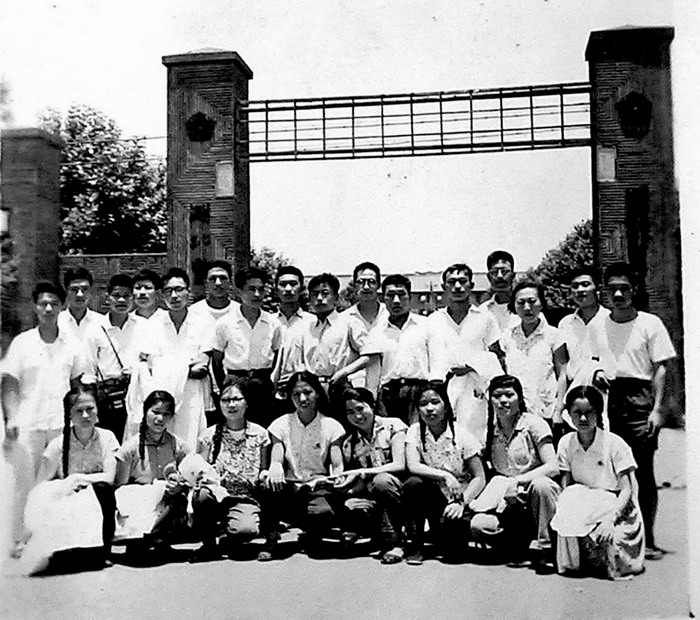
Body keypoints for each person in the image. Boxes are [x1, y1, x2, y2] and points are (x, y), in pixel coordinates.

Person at [589, 262, 676, 561]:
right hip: (609, 399)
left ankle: (648, 539)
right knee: (613, 471)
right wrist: (597, 371)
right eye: (612, 289)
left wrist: (657, 410)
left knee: (642, 471)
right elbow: (593, 359)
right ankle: (620, 536)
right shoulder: (597, 325)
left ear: (634, 290)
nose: (618, 295)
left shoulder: (650, 323)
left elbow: (661, 369)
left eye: (624, 289)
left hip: (640, 399)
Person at [551, 386, 645, 580]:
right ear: (569, 414)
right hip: (582, 501)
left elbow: (626, 490)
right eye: (577, 412)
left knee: (615, 550)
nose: (583, 418)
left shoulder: (614, 443)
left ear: (599, 413)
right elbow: (566, 487)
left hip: (616, 504)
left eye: (589, 412)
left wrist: (610, 520)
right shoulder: (566, 442)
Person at [23, 384, 119, 572]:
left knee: (103, 490)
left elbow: (109, 477)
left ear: (97, 410)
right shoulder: (57, 445)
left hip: (95, 497)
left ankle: (102, 550)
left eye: (90, 409)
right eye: (79, 411)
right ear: (69, 414)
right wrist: (64, 486)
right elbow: (40, 484)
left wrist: (77, 478)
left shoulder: (107, 438)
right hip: (68, 500)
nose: (85, 415)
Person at [470, 375, 560, 568]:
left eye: (509, 395)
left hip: (534, 496)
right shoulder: (488, 431)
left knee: (542, 485)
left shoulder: (534, 424)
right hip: (507, 502)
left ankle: (548, 548)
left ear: (519, 398)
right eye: (497, 396)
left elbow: (552, 466)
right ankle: (515, 545)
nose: (503, 401)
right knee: (479, 524)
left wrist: (517, 481)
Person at [2, 282, 90, 474]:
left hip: (62, 424)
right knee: (27, 478)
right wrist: (11, 418)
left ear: (62, 306)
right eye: (43, 304)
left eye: (54, 304)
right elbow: (10, 384)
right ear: (35, 307)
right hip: (28, 424)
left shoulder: (73, 344)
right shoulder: (22, 343)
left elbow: (78, 385)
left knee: (63, 478)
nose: (48, 309)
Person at [193, 376, 277, 561]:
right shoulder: (208, 436)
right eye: (225, 400)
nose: (231, 405)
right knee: (201, 494)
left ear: (247, 402)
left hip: (246, 497)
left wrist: (265, 476)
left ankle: (244, 536)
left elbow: (264, 469)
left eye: (237, 399)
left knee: (244, 530)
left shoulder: (260, 434)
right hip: (217, 496)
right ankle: (209, 545)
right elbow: (199, 470)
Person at [344, 274, 445, 425]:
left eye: (401, 295)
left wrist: (434, 392)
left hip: (420, 393)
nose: (396, 301)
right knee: (391, 434)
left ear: (410, 297)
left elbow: (437, 361)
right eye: (391, 295)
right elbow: (373, 371)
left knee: (418, 435)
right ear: (383, 299)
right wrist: (372, 399)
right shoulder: (377, 332)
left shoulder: (426, 325)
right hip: (388, 395)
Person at [403, 382, 486, 564]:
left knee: (453, 555)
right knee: (413, 484)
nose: (429, 409)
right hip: (432, 496)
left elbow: (479, 478)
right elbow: (413, 465)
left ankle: (442, 532)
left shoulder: (463, 435)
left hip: (458, 499)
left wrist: (461, 502)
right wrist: (446, 476)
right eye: (423, 404)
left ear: (446, 406)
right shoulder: (414, 431)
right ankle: (416, 544)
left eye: (435, 402)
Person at [265, 371, 346, 555]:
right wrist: (275, 467)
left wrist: (337, 478)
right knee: (265, 486)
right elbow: (276, 457)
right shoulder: (280, 424)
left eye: (307, 392)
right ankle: (271, 539)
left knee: (323, 513)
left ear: (317, 393)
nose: (302, 399)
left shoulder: (332, 426)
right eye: (296, 394)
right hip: (290, 487)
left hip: (318, 487)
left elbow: (337, 465)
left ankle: (312, 534)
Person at [427, 263, 503, 444]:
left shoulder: (485, 317)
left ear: (471, 285)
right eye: (451, 282)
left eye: (462, 281)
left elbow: (497, 355)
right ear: (444, 287)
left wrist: (472, 366)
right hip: (442, 389)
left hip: (474, 389)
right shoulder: (433, 320)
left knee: (475, 439)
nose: (457, 287)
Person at [138, 268, 213, 447]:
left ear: (188, 291)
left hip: (191, 393)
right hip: (162, 394)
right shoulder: (153, 325)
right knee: (161, 441)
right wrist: (185, 368)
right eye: (168, 291)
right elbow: (151, 364)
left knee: (191, 440)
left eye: (179, 289)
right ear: (161, 295)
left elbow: (202, 365)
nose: (174, 296)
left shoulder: (203, 322)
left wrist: (167, 365)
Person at [333, 387, 407, 564]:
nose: (357, 416)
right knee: (349, 501)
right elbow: (361, 482)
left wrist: (362, 472)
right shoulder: (350, 442)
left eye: (360, 408)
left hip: (402, 491)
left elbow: (399, 465)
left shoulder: (393, 426)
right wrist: (345, 491)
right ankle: (375, 535)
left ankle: (396, 543)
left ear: (372, 405)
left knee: (381, 481)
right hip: (374, 495)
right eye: (350, 412)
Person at [114, 390, 191, 554]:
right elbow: (120, 488)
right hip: (137, 504)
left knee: (179, 500)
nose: (160, 418)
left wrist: (179, 486)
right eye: (155, 412)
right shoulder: (129, 449)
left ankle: (159, 540)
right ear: (145, 412)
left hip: (167, 504)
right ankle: (139, 540)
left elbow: (190, 481)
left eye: (166, 414)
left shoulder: (179, 446)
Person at [212, 267, 282, 427]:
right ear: (239, 291)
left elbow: (277, 354)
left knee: (262, 428)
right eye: (251, 289)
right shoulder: (225, 323)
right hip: (235, 382)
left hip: (261, 384)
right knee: (234, 427)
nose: (257, 294)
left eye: (261, 289)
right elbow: (216, 360)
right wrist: (225, 385)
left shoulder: (273, 323)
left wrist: (268, 380)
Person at [499, 281, 568, 431]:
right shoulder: (507, 336)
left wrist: (558, 410)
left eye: (532, 301)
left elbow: (562, 374)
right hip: (515, 413)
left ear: (541, 303)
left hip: (546, 411)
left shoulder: (554, 335)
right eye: (521, 303)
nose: (527, 307)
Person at [95, 273, 148, 441]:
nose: (121, 300)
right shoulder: (96, 328)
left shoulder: (144, 326)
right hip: (107, 398)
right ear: (107, 297)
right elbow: (89, 367)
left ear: (133, 298)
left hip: (136, 395)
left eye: (126, 296)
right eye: (116, 295)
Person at [335, 262, 388, 393]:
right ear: (354, 285)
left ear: (379, 285)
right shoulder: (344, 318)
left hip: (387, 385)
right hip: (356, 387)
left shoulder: (389, 315)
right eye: (361, 282)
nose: (366, 287)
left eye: (371, 282)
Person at [558, 267, 610, 393]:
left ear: (597, 289)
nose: (580, 290)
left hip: (605, 388)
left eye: (585, 284)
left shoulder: (610, 320)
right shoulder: (565, 324)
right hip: (574, 391)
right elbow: (562, 365)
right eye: (575, 286)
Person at [270, 266, 313, 415]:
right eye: (283, 285)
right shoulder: (267, 322)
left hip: (303, 393)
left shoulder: (313, 322)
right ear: (276, 290)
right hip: (272, 393)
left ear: (302, 288)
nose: (288, 289)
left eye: (293, 284)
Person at [480, 251, 519, 331]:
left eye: (504, 271)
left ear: (513, 276)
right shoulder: (482, 311)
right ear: (489, 277)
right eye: (494, 272)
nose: (499, 276)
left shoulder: (526, 308)